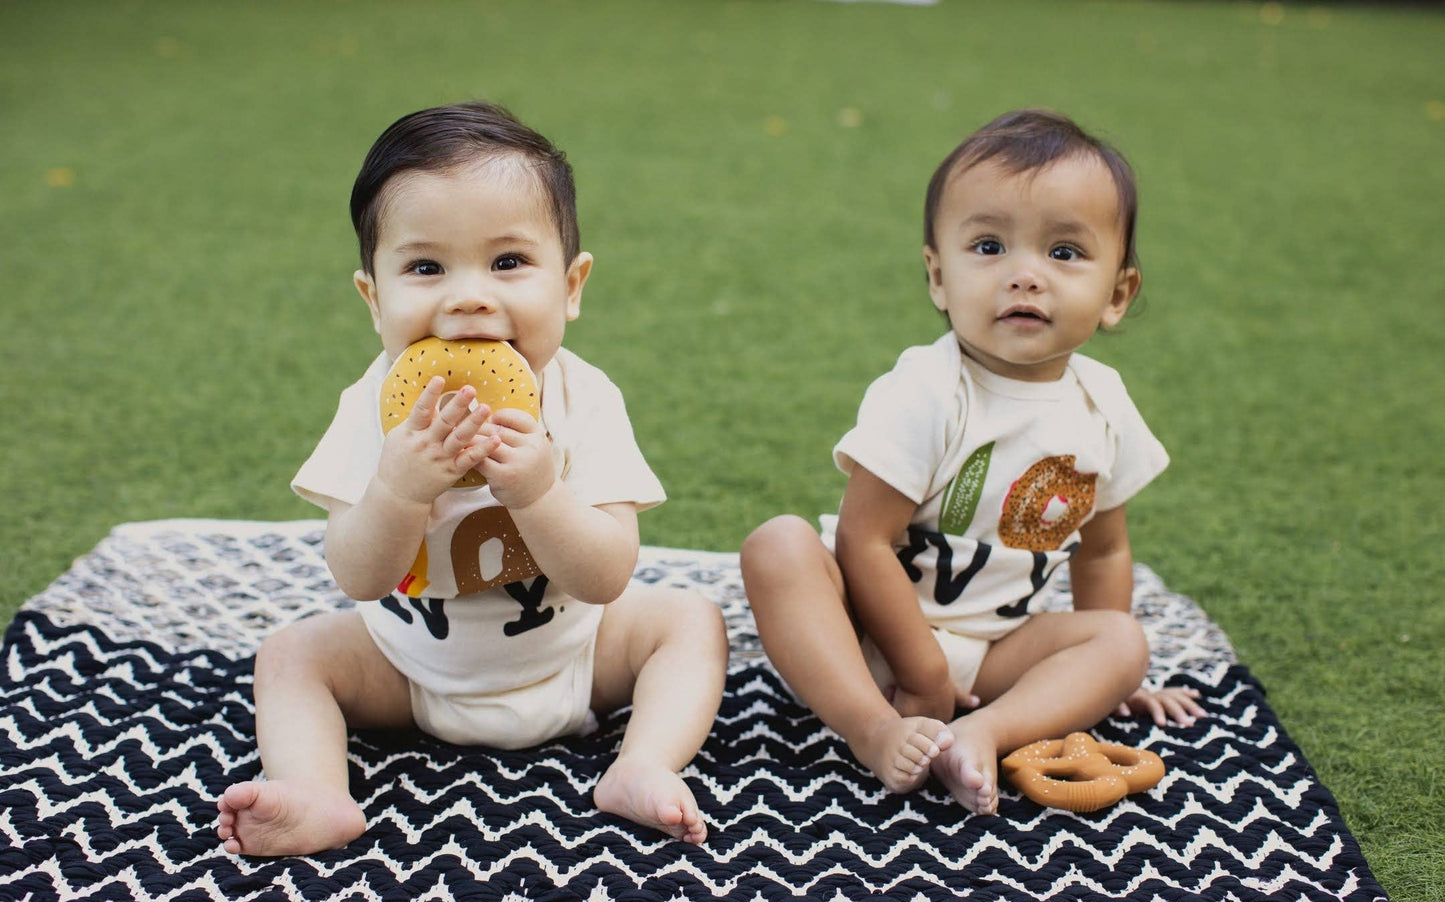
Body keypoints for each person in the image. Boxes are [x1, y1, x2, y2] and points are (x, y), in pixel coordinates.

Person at [216, 102, 728, 855]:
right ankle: (320, 791)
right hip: (413, 669)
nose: (468, 296)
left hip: (577, 656)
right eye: (426, 267)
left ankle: (641, 762)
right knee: (291, 654)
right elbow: (357, 575)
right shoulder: (373, 408)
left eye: (508, 262)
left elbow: (607, 574)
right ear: (373, 298)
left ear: (572, 285)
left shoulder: (585, 400)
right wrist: (398, 488)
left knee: (691, 622)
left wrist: (538, 492)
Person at [740, 108, 1204, 815]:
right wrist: (919, 672)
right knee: (778, 546)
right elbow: (862, 541)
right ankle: (872, 730)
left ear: (1116, 294)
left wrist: (1105, 681)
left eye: (1064, 253)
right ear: (937, 277)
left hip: (996, 651)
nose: (1024, 276)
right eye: (988, 247)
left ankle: (985, 730)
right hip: (869, 633)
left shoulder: (1103, 403)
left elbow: (1104, 552)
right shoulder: (927, 390)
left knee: (1120, 639)